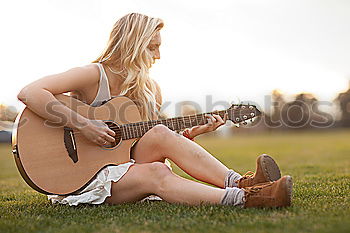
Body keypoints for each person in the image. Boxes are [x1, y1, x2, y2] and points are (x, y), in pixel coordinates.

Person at [17, 13, 293, 208]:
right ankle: (248, 199)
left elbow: (142, 144)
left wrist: (192, 133)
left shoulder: (150, 89)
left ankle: (241, 183)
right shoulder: (93, 75)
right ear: (133, 45)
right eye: (152, 48)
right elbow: (30, 92)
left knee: (161, 132)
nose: (158, 56)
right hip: (83, 178)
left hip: (122, 166)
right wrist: (84, 125)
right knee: (156, 175)